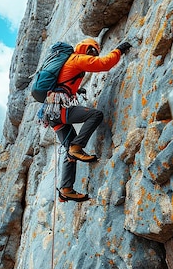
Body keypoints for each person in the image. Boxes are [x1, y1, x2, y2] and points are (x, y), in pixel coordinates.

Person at [45, 38, 132, 202]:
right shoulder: (76, 58)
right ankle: (77, 147)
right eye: (92, 51)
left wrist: (76, 90)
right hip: (59, 110)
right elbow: (104, 64)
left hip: (52, 113)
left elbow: (64, 82)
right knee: (95, 115)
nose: (93, 55)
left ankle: (66, 189)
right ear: (85, 49)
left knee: (68, 150)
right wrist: (118, 50)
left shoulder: (68, 64)